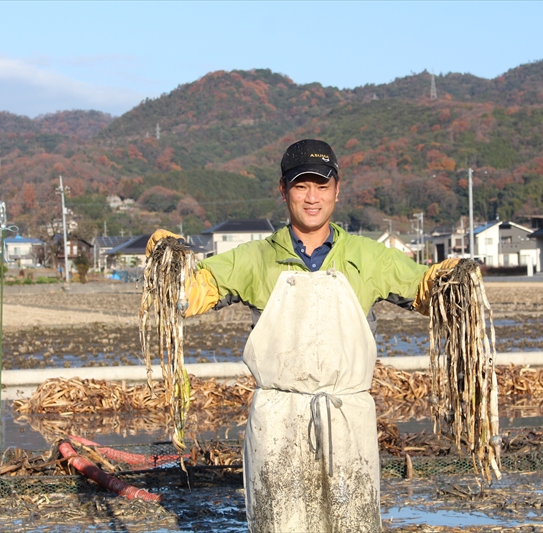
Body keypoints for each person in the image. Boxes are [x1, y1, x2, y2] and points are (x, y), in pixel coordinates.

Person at [146, 139, 455, 533]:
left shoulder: (369, 256)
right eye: (301, 186)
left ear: (337, 189)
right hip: (278, 421)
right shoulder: (254, 258)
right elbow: (187, 296)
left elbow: (427, 289)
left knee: (353, 523)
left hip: (347, 419)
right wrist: (168, 264)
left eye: (322, 186)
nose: (313, 197)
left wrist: (453, 278)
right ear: (283, 190)